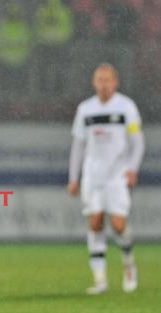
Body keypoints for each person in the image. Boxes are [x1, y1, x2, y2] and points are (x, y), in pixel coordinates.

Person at [68, 63, 145, 295]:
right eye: (99, 79)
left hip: (117, 175)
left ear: (115, 82)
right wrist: (74, 177)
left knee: (119, 226)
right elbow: (78, 145)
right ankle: (100, 279)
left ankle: (128, 260)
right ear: (94, 83)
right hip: (93, 175)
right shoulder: (85, 109)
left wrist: (132, 169)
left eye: (107, 79)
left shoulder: (126, 107)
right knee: (95, 223)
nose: (103, 84)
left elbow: (138, 141)